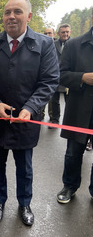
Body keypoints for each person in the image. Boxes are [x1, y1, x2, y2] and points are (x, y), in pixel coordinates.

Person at [0, 0, 59, 226]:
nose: (11, 16)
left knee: (25, 168)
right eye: (7, 12)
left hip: (25, 121)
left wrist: (31, 108)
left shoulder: (44, 45)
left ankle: (24, 203)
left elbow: (49, 81)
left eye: (17, 12)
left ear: (28, 16)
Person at [56, 15, 93, 203]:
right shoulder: (75, 45)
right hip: (79, 109)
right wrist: (82, 77)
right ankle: (69, 186)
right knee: (73, 152)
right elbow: (61, 75)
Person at [48, 24, 71, 127]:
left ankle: (69, 122)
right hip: (55, 76)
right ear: (58, 33)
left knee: (69, 102)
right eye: (63, 32)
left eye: (67, 32)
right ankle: (55, 121)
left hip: (69, 77)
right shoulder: (52, 44)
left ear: (70, 32)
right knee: (54, 101)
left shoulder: (74, 44)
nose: (65, 34)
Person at [42, 27, 56, 120]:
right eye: (46, 33)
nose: (48, 35)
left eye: (50, 33)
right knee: (42, 97)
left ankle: (52, 117)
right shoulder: (41, 45)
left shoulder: (57, 45)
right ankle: (40, 114)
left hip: (53, 76)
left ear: (54, 34)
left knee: (52, 100)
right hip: (42, 76)